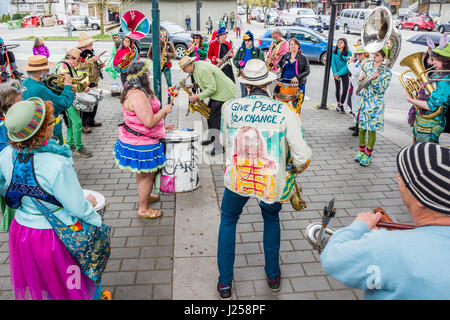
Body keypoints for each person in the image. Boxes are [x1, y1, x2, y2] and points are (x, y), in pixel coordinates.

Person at [217, 59, 312, 299]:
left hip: (237, 178)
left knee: (228, 220)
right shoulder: (286, 111)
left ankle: (225, 283)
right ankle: (272, 276)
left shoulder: (229, 107)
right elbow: (302, 156)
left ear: (246, 85)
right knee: (271, 219)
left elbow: (223, 143)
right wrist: (292, 171)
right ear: (269, 82)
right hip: (270, 179)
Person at [0, 97, 103, 300]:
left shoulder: (5, 154)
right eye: (51, 122)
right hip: (55, 235)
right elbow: (76, 207)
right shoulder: (57, 163)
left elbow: (5, 188)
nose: (55, 123)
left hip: (22, 231)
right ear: (41, 132)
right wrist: (93, 215)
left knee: (47, 283)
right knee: (75, 284)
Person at [321, 142, 450, 300]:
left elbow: (332, 259)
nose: (397, 177)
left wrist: (359, 226)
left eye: (403, 176)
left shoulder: (386, 246)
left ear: (422, 198)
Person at [114, 61, 172, 219]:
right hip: (141, 143)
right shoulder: (138, 96)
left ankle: (145, 196)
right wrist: (164, 110)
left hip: (139, 139)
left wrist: (163, 127)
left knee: (143, 173)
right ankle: (143, 208)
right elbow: (149, 122)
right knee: (147, 175)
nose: (149, 75)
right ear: (142, 76)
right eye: (147, 73)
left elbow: (141, 120)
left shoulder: (136, 90)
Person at [178, 56, 235, 156]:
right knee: (209, 116)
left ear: (189, 65)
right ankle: (211, 137)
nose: (184, 71)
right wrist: (193, 86)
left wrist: (198, 96)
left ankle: (218, 147)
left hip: (223, 93)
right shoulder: (196, 68)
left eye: (184, 68)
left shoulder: (202, 70)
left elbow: (212, 88)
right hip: (219, 92)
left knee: (214, 119)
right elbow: (204, 82)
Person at [21, 55, 74, 145]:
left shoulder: (26, 82)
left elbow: (49, 94)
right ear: (40, 71)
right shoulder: (39, 89)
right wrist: (67, 87)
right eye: (46, 69)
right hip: (48, 129)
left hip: (33, 127)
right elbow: (64, 102)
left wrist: (59, 86)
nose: (48, 71)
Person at [404, 40, 450, 144]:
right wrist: (418, 88)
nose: (433, 62)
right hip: (428, 119)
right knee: (419, 146)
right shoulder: (439, 74)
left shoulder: (446, 81)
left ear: (446, 61)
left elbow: (431, 106)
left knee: (425, 150)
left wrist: (410, 99)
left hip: (433, 122)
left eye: (436, 60)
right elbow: (432, 93)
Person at [354, 47, 392, 166]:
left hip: (375, 103)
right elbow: (361, 84)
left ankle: (368, 154)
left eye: (377, 55)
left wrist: (375, 80)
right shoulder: (366, 66)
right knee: (361, 128)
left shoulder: (386, 72)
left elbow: (381, 90)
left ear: (383, 57)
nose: (374, 57)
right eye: (374, 54)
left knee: (371, 130)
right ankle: (361, 151)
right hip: (364, 101)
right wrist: (360, 79)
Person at [55, 48, 92, 158]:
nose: (78, 64)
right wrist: (81, 88)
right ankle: (79, 147)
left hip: (68, 98)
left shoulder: (69, 67)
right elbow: (65, 85)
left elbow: (74, 82)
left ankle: (70, 143)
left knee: (71, 123)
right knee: (77, 122)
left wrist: (83, 86)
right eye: (77, 62)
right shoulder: (63, 67)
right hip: (65, 99)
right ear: (71, 59)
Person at [0, 80, 24, 232]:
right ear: (11, 101)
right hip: (13, 184)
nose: (22, 95)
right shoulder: (6, 128)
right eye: (18, 94)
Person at [76, 32, 105, 134]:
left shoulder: (90, 51)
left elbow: (92, 65)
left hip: (94, 81)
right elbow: (80, 66)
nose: (92, 44)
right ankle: (85, 124)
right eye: (90, 43)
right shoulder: (79, 53)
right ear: (84, 45)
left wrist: (100, 65)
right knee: (86, 104)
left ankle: (91, 121)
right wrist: (93, 59)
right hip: (85, 82)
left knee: (94, 102)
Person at [276, 37, 310, 108]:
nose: (293, 46)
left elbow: (307, 71)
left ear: (298, 46)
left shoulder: (303, 57)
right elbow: (279, 64)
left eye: (295, 44)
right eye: (291, 44)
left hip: (298, 84)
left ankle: (296, 118)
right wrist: (279, 68)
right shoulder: (285, 56)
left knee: (296, 107)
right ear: (289, 46)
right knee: (283, 106)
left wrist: (297, 77)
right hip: (285, 84)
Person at [233, 31, 265, 97]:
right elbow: (234, 60)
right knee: (244, 94)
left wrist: (255, 66)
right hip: (242, 74)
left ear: (252, 41)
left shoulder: (257, 50)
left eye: (249, 40)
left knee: (253, 93)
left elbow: (262, 62)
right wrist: (238, 63)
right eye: (245, 40)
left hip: (253, 75)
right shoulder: (240, 50)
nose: (247, 42)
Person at [148, 29, 176, 104]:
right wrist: (156, 61)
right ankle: (156, 97)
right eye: (160, 36)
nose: (162, 38)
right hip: (158, 66)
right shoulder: (154, 44)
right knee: (157, 82)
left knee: (169, 83)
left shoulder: (169, 44)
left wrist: (167, 54)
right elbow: (149, 55)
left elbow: (174, 55)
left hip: (166, 66)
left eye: (164, 36)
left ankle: (170, 98)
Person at [347, 43, 369, 137]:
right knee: (354, 108)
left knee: (359, 109)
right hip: (355, 88)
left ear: (365, 54)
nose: (358, 56)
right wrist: (351, 63)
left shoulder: (365, 63)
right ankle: (355, 124)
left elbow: (355, 72)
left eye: (360, 54)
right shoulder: (359, 62)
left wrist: (351, 63)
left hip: (360, 89)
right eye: (357, 55)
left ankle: (359, 128)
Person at [331, 38, 352, 114]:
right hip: (336, 73)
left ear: (345, 44)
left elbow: (348, 65)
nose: (339, 44)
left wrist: (339, 73)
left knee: (345, 89)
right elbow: (333, 63)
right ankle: (338, 104)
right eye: (338, 42)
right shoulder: (334, 52)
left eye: (341, 43)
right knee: (338, 89)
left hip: (344, 73)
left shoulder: (348, 52)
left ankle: (341, 104)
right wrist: (335, 73)